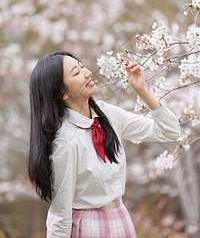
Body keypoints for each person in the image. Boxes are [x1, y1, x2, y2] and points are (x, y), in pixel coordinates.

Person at [28, 51, 181, 238]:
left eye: (82, 66)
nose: (87, 73)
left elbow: (170, 131)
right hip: (88, 227)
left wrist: (142, 90)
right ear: (62, 94)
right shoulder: (66, 142)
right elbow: (61, 213)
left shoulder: (107, 114)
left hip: (120, 217)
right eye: (76, 73)